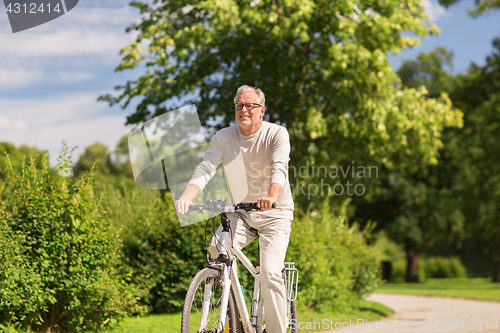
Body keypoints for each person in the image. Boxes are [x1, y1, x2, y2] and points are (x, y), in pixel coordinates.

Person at [175, 85, 294, 333]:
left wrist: (272, 195)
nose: (244, 110)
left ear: (262, 110)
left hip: (275, 214)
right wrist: (187, 196)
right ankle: (230, 312)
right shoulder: (223, 137)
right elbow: (206, 167)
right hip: (241, 212)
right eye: (239, 105)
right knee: (216, 248)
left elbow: (279, 166)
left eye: (250, 105)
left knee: (271, 273)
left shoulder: (276, 134)